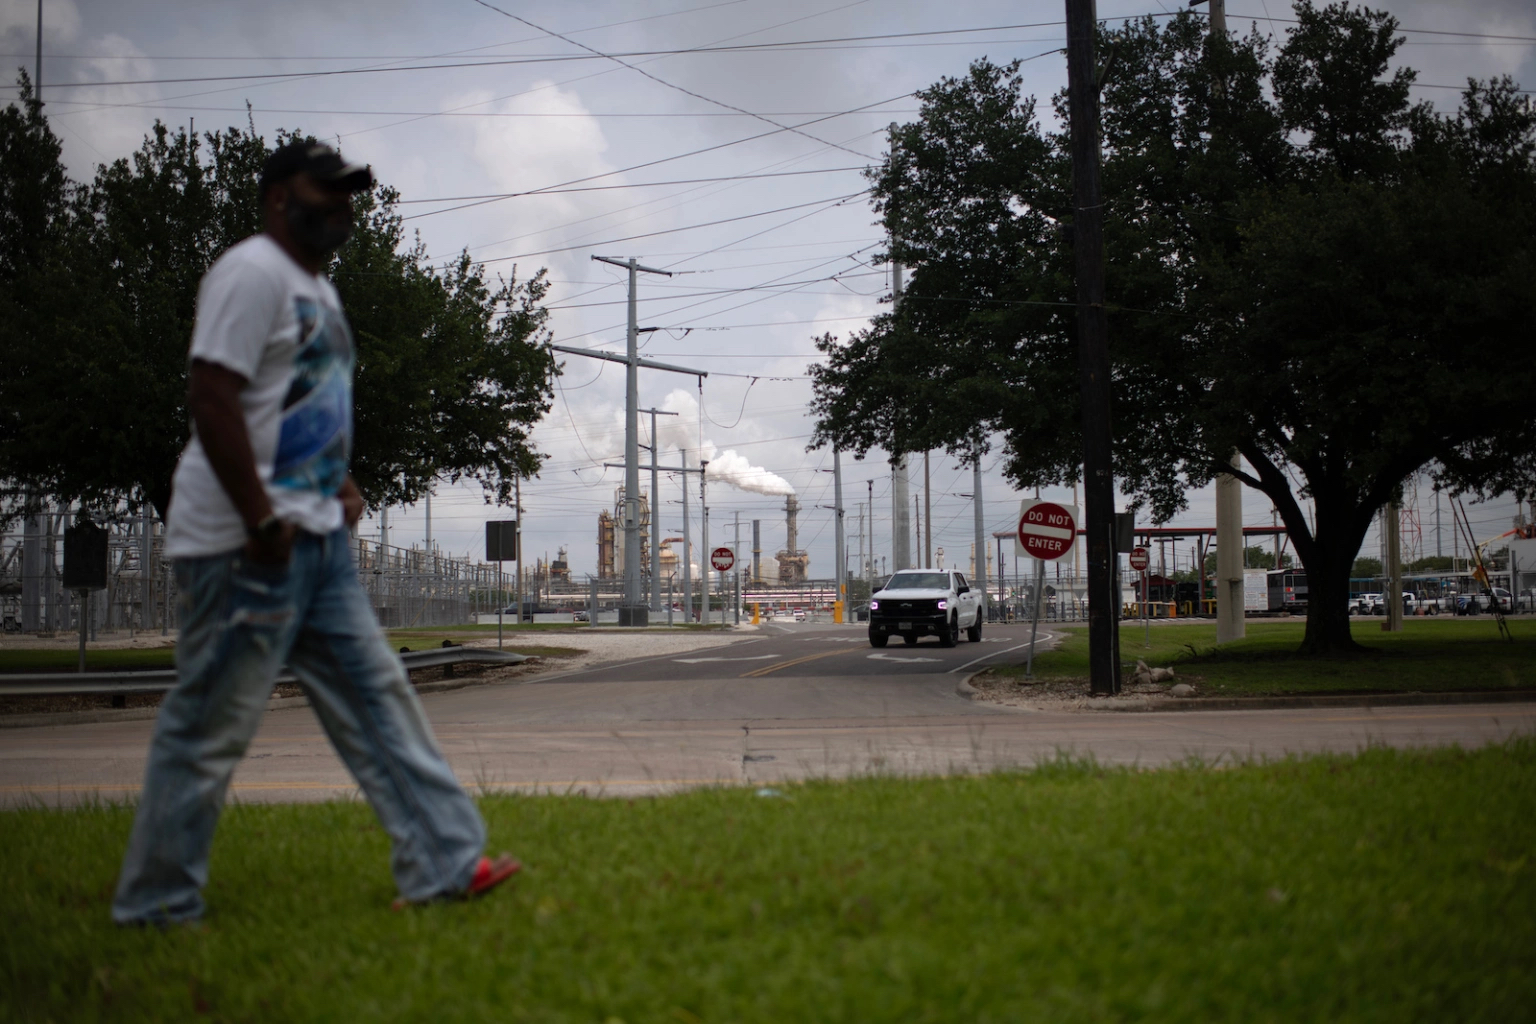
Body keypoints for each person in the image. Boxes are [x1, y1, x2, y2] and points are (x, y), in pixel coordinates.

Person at [112, 142, 518, 926]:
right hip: (244, 545)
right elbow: (213, 396)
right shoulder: (251, 273)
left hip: (318, 543)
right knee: (209, 726)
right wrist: (261, 517)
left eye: (350, 194)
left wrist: (339, 480)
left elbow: (299, 406)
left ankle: (442, 862)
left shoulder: (319, 294)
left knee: (379, 701)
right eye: (324, 192)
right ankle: (156, 904)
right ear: (276, 199)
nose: (342, 206)